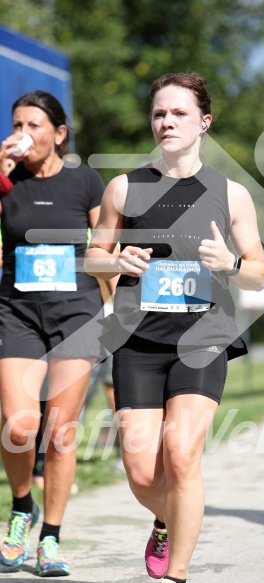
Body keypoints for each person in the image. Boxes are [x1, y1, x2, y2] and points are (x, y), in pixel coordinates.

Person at [85, 72, 264, 583]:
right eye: (160, 113)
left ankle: (177, 574)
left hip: (202, 339)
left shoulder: (230, 194)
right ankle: (165, 519)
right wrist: (118, 259)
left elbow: (258, 274)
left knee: (182, 456)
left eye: (179, 113)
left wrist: (229, 263)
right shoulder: (124, 187)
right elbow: (92, 259)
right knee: (144, 473)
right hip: (137, 341)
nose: (166, 121)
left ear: (204, 122)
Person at [0, 90, 107, 576]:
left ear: (60, 134)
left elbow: (104, 248)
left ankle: (51, 539)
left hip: (76, 315)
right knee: (20, 427)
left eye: (34, 125)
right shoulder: (7, 181)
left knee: (60, 433)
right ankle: (23, 506)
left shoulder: (85, 180)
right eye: (17, 125)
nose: (23, 134)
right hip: (16, 312)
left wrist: (111, 308)